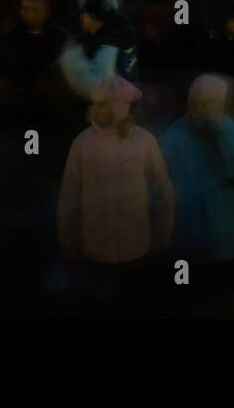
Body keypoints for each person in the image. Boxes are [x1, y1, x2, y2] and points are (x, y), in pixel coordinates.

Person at [57, 76, 175, 305]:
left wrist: (162, 236)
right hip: (95, 247)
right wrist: (68, 242)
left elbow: (163, 191)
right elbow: (68, 196)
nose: (97, 108)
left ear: (121, 105)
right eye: (97, 103)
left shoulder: (144, 141)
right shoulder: (82, 143)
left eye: (105, 103)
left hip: (137, 246)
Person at [161, 74, 234, 267]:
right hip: (189, 225)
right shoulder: (177, 133)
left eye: (206, 104)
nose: (198, 110)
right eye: (195, 103)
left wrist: (221, 135)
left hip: (224, 224)